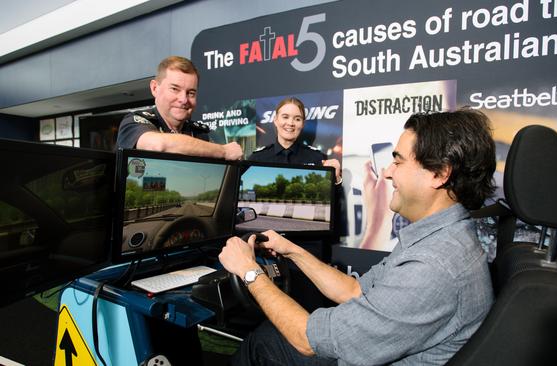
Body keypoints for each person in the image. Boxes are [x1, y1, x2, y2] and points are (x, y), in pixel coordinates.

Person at [219, 108, 497, 365]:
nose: (387, 173)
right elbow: (355, 290)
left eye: (397, 162)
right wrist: (290, 249)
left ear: (439, 174)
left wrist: (250, 271)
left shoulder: (433, 266)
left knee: (262, 342)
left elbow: (307, 340)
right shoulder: (438, 238)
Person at [115, 56, 243, 160]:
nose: (184, 99)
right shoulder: (134, 122)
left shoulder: (200, 134)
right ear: (154, 88)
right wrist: (223, 151)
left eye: (191, 93)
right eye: (175, 89)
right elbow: (158, 145)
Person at [249, 97, 342, 183]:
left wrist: (336, 179)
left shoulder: (318, 158)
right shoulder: (257, 158)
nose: (290, 123)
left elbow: (332, 199)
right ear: (275, 120)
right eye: (285, 117)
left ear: (303, 124)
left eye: (297, 119)